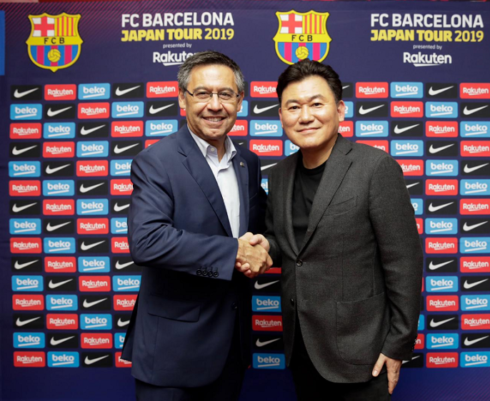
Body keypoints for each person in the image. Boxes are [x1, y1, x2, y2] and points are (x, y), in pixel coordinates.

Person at [248, 60, 423, 400]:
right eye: (293, 107)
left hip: (362, 351)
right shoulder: (280, 174)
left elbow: (404, 262)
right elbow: (288, 245)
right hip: (301, 345)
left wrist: (397, 344)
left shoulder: (375, 167)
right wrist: (263, 247)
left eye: (316, 104)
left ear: (340, 110)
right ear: (281, 115)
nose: (305, 116)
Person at [121, 51, 271, 401]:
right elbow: (147, 241)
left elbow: (258, 228)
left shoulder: (247, 162)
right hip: (171, 354)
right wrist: (234, 252)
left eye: (226, 94)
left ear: (240, 101)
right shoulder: (156, 161)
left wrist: (263, 247)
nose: (214, 105)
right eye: (203, 93)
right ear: (182, 99)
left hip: (230, 348)